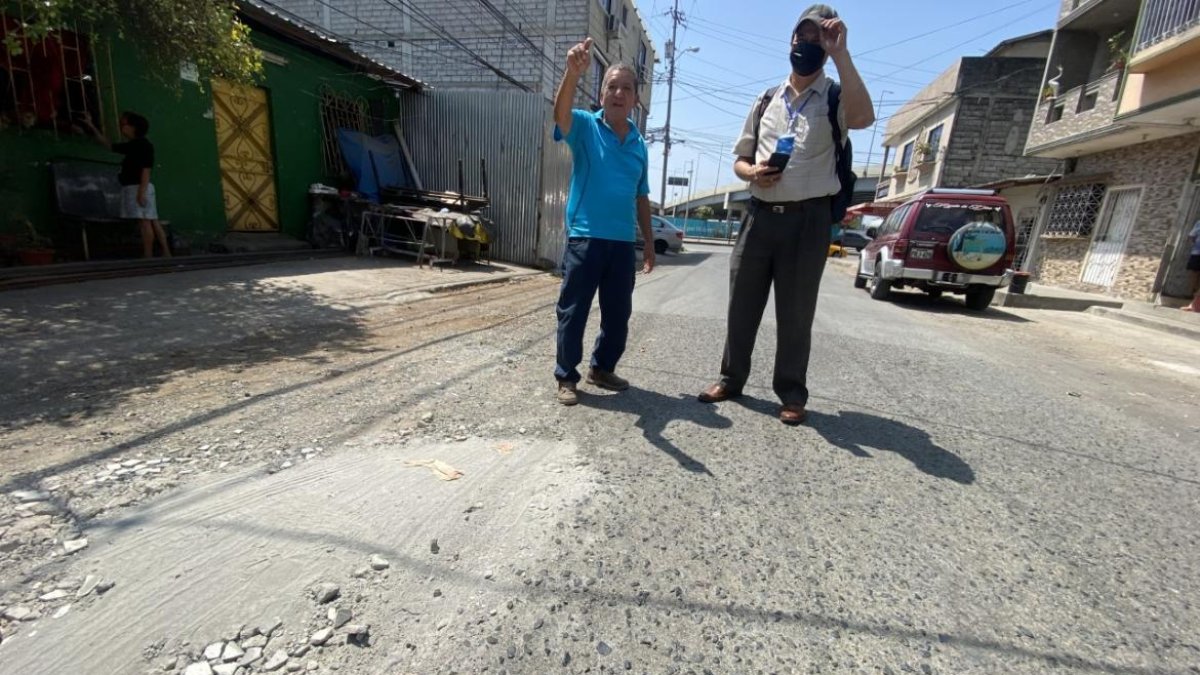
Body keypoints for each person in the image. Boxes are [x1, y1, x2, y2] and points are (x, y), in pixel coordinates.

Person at [698, 4, 874, 425]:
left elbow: (865, 117)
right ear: (791, 41)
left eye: (818, 38)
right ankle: (730, 377)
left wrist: (840, 54)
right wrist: (752, 172)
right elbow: (739, 159)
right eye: (803, 36)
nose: (807, 45)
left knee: (795, 313)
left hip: (807, 220)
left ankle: (792, 393)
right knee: (742, 305)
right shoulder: (766, 100)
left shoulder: (834, 94)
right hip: (759, 216)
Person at [552, 37, 655, 406]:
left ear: (634, 100)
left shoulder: (640, 145)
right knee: (574, 311)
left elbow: (641, 196)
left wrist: (648, 243)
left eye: (626, 88)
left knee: (618, 314)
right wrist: (570, 72)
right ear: (601, 92)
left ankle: (602, 367)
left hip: (622, 243)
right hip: (585, 238)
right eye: (612, 85)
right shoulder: (584, 126)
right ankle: (567, 376)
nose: (618, 92)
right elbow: (559, 116)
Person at [79, 111, 171, 258]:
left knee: (145, 222)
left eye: (124, 124)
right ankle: (165, 253)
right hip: (140, 187)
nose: (121, 128)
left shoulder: (143, 146)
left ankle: (149, 256)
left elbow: (146, 169)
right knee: (152, 220)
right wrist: (91, 126)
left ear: (133, 127)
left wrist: (141, 191)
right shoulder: (134, 145)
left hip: (139, 187)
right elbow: (109, 145)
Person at [1183, 218, 1200, 312]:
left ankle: (1195, 303)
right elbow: (1192, 236)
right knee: (1194, 275)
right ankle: (1194, 300)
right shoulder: (1199, 223)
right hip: (1197, 253)